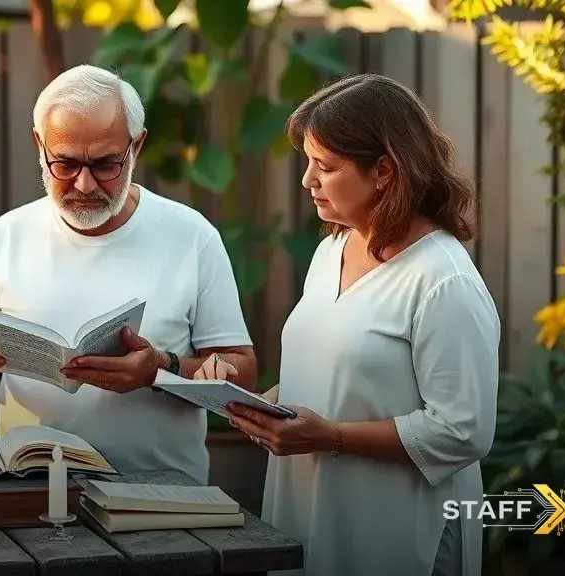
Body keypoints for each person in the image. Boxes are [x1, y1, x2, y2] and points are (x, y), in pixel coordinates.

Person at [196, 73, 500, 576]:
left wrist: (330, 436)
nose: (306, 180)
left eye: (325, 166)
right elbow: (338, 377)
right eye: (307, 162)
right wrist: (262, 406)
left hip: (397, 531)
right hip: (307, 509)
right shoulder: (331, 250)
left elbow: (462, 431)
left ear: (383, 170)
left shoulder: (444, 282)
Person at [0, 64, 257, 484]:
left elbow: (244, 373)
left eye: (107, 164)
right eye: (66, 164)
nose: (86, 185)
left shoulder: (191, 236)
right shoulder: (10, 234)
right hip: (29, 491)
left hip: (161, 494)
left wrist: (159, 370)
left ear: (137, 146)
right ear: (40, 145)